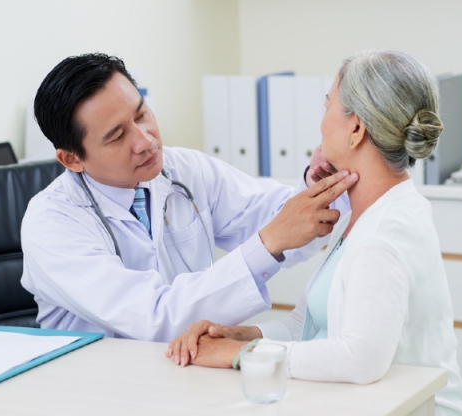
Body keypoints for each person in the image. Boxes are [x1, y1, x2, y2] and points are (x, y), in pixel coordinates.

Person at [166, 49, 462, 416]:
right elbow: (306, 326)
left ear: (356, 129)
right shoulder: (360, 214)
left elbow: (360, 358)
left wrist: (241, 355)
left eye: (328, 106)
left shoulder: (384, 233)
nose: (322, 121)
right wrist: (235, 335)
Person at [21, 53, 357, 342]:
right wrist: (269, 241)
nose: (145, 141)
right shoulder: (51, 223)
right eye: (118, 136)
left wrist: (318, 185)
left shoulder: (184, 170)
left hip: (188, 365)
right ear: (72, 159)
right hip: (94, 382)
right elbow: (154, 319)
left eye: (141, 114)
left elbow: (278, 218)